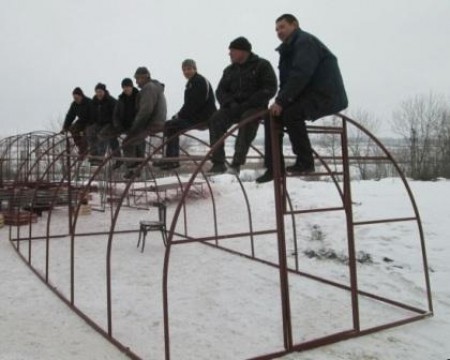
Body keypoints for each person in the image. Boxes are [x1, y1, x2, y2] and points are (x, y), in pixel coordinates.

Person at [256, 14, 348, 183]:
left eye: (282, 27)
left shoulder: (305, 42)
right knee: (271, 116)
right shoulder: (288, 49)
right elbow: (287, 81)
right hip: (306, 93)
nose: (279, 31)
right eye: (276, 29)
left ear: (295, 25)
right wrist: (278, 102)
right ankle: (274, 167)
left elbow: (301, 73)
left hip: (325, 93)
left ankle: (305, 161)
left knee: (292, 114)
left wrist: (282, 102)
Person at [208, 37, 277, 174]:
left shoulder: (262, 65)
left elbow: (270, 88)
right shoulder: (229, 70)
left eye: (232, 50)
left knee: (247, 119)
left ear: (243, 51)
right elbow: (220, 91)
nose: (230, 54)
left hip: (254, 107)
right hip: (233, 107)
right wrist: (229, 103)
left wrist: (249, 103)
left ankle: (236, 163)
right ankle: (218, 163)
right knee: (216, 118)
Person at [154, 59, 216, 170]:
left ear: (195, 69)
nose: (186, 72)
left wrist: (180, 115)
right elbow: (188, 105)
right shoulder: (191, 83)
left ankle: (171, 160)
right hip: (196, 116)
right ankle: (171, 160)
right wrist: (178, 115)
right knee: (171, 126)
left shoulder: (199, 81)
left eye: (189, 69)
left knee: (171, 125)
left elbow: (194, 104)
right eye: (184, 70)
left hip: (203, 117)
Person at [122, 66, 167, 179]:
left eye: (137, 79)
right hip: (158, 121)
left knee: (127, 141)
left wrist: (135, 127)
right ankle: (138, 167)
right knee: (137, 140)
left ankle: (133, 169)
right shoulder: (155, 87)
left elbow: (145, 111)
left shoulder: (148, 88)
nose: (136, 82)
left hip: (152, 123)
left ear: (144, 77)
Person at [110, 78, 141, 170]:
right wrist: (118, 126)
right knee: (109, 135)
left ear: (131, 87)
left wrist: (137, 125)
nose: (126, 89)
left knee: (130, 142)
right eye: (124, 87)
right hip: (124, 126)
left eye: (128, 87)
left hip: (136, 126)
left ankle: (134, 163)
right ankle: (118, 159)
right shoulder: (121, 99)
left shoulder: (139, 96)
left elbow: (142, 112)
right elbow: (115, 115)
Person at [91, 83, 119, 164]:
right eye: (97, 92)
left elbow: (117, 113)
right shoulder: (95, 101)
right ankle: (94, 154)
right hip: (100, 124)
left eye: (100, 91)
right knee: (90, 132)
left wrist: (115, 124)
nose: (99, 94)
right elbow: (93, 114)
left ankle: (100, 157)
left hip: (111, 123)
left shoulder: (111, 101)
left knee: (103, 135)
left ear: (104, 91)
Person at [61, 87, 93, 158]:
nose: (76, 100)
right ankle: (80, 146)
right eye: (74, 98)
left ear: (81, 96)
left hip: (91, 121)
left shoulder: (89, 102)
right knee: (73, 129)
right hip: (82, 121)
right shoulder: (74, 104)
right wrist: (65, 127)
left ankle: (84, 150)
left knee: (87, 132)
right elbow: (70, 116)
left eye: (77, 98)